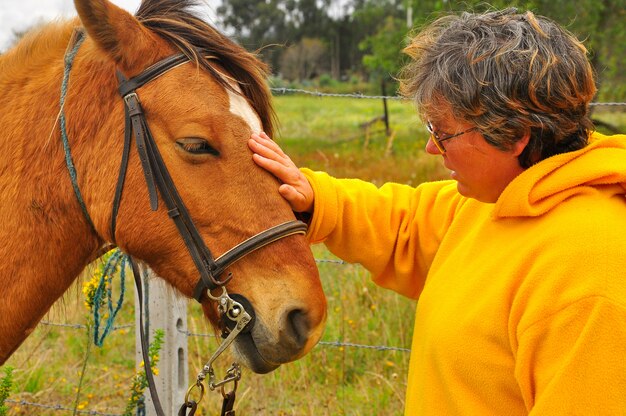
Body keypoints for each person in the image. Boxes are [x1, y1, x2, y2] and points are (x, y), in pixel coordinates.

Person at [248, 8, 626, 415]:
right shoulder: (496, 200)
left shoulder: (589, 281)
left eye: (442, 133)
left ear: (514, 135)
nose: (432, 148)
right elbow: (404, 224)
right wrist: (314, 198)